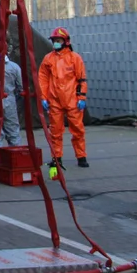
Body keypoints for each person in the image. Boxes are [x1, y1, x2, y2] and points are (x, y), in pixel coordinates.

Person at [39, 26, 89, 172]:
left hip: (72, 100)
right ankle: (57, 157)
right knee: (55, 131)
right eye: (54, 40)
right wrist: (44, 97)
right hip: (54, 101)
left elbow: (81, 79)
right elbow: (42, 79)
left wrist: (81, 97)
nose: (56, 43)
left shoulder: (75, 58)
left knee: (78, 130)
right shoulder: (48, 59)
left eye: (58, 40)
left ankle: (81, 157)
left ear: (65, 41)